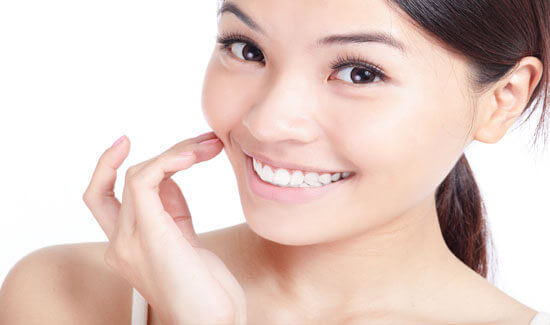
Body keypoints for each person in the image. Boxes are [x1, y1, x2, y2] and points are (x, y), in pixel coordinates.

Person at [1, 0, 549, 324]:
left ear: (502, 100)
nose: (266, 122)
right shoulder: (66, 296)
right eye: (246, 49)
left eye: (359, 72)